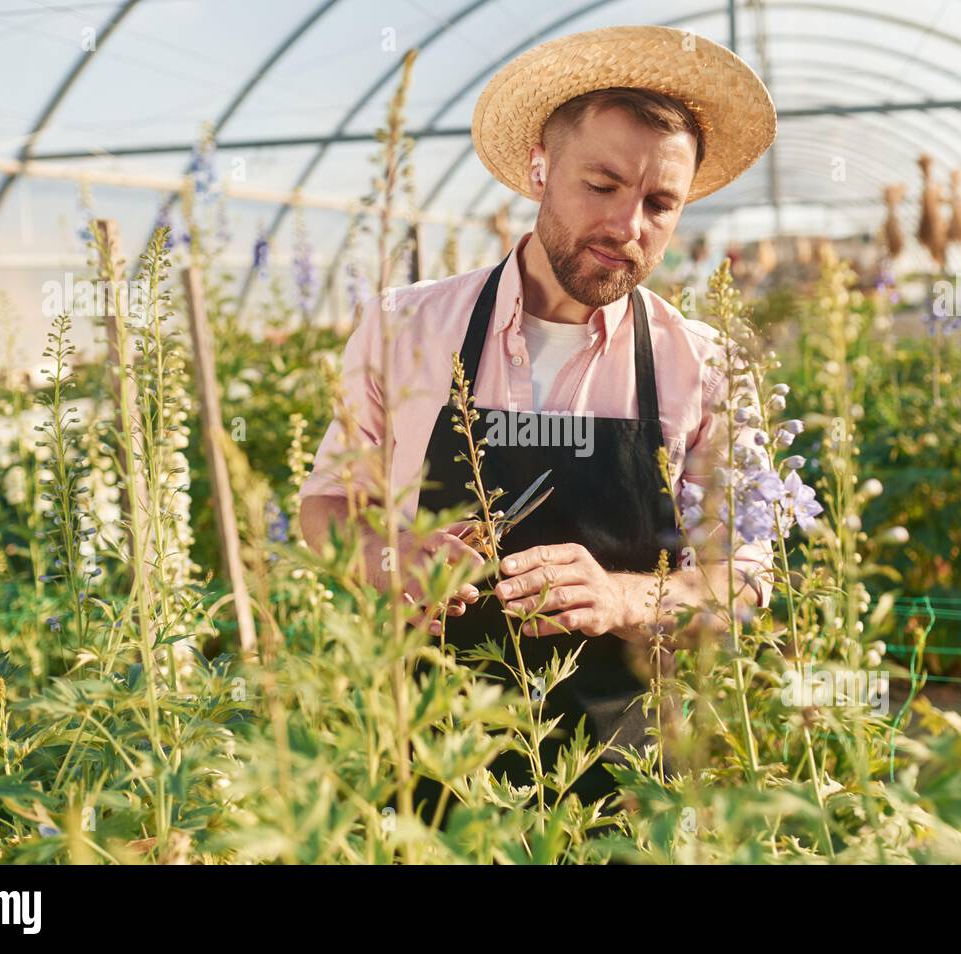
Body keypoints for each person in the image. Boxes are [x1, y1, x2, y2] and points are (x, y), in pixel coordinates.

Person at [298, 24, 778, 826]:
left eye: (660, 203)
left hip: (625, 777)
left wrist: (626, 596)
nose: (629, 226)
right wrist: (394, 559)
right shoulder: (405, 327)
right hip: (431, 760)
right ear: (539, 169)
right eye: (602, 184)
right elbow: (327, 508)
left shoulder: (706, 365)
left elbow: (747, 580)